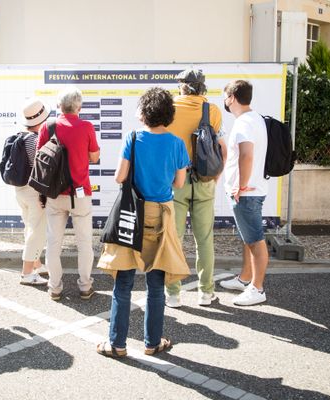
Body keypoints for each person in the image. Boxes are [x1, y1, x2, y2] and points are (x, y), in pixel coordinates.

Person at [96, 87, 190, 358]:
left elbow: (119, 177)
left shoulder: (133, 138)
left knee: (123, 281)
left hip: (132, 214)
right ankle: (152, 343)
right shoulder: (177, 144)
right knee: (156, 283)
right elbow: (179, 183)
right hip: (162, 214)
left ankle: (117, 344)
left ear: (144, 112)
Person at [165, 69, 227, 308]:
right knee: (204, 240)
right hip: (204, 182)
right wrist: (215, 179)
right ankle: (205, 293)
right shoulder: (211, 110)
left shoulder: (169, 108)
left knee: (174, 239)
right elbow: (222, 149)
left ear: (182, 86)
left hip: (175, 182)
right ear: (202, 87)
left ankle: (173, 294)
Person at [37, 86, 100, 301]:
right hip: (81, 193)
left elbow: (40, 157)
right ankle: (84, 286)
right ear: (79, 106)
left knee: (54, 242)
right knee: (84, 243)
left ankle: (55, 288)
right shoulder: (86, 127)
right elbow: (94, 157)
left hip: (55, 193)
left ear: (58, 106)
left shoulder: (48, 126)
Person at [219, 80, 269, 306]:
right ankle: (245, 278)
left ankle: (257, 289)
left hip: (247, 193)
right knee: (248, 238)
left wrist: (240, 185)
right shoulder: (254, 118)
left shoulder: (244, 123)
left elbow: (246, 154)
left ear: (231, 97)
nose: (225, 101)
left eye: (225, 96)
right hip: (251, 190)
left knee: (256, 240)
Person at [15, 98, 50, 286]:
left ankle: (36, 264)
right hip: (34, 191)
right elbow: (41, 168)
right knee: (36, 231)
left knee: (29, 227)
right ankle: (27, 273)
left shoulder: (20, 136)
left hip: (19, 190)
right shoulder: (37, 140)